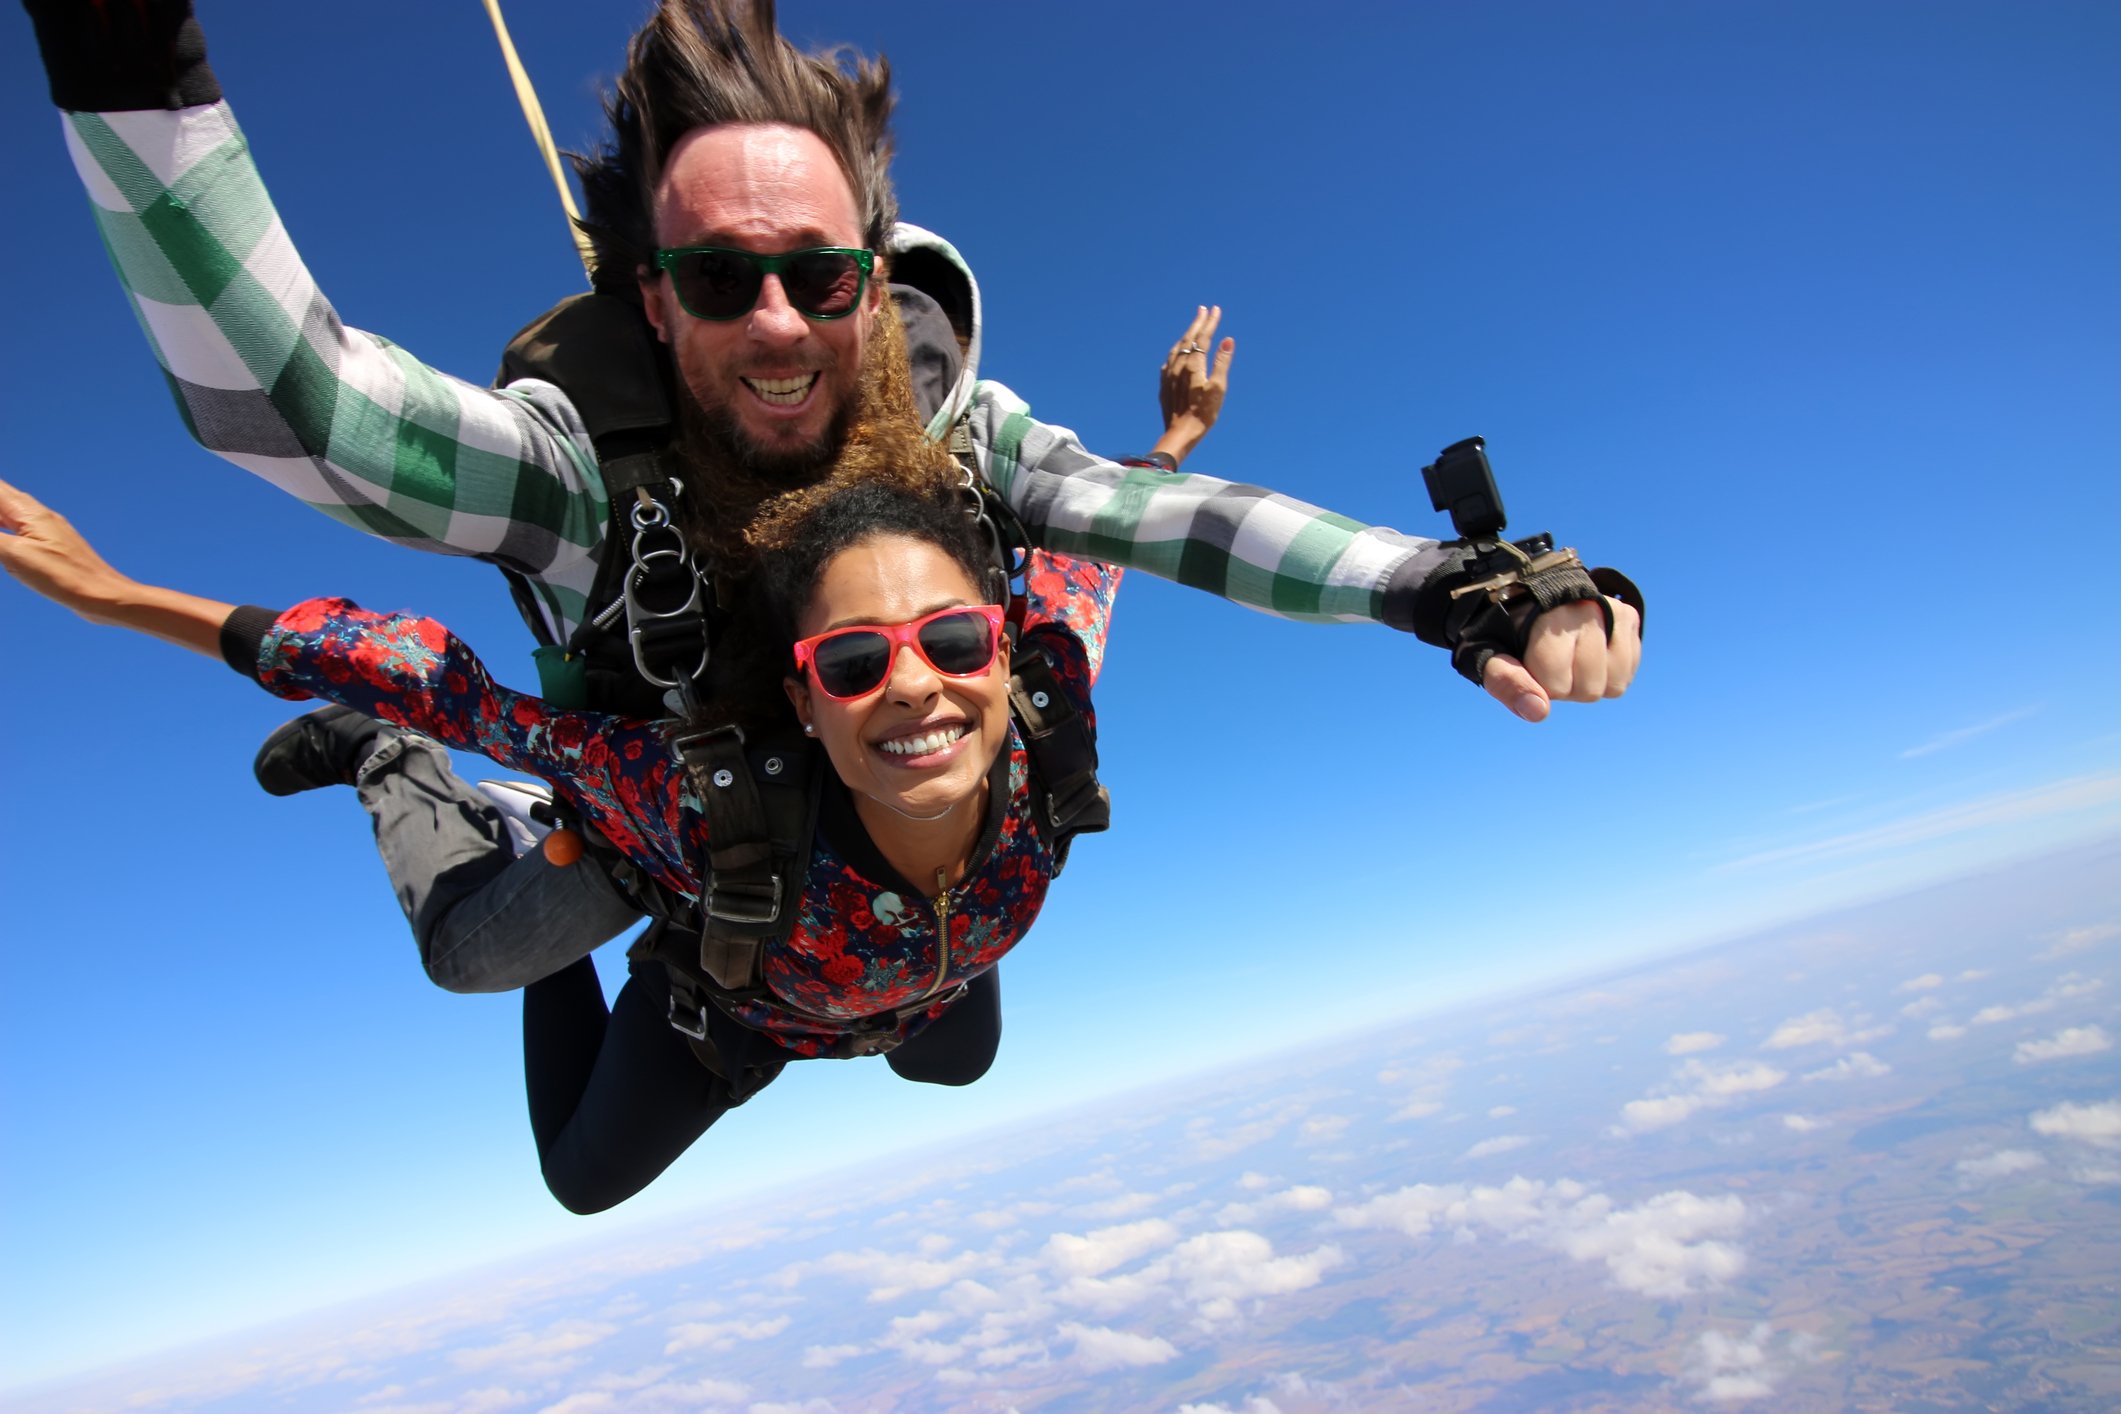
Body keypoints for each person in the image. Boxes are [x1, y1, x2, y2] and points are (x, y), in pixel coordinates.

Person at [19, 0, 1640, 991]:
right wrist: (125, 61)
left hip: (865, 856)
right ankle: (396, 778)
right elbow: (303, 415)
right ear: (652, 301)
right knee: (474, 956)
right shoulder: (586, 477)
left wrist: (1444, 584)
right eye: (721, 279)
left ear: (874, 274)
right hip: (650, 822)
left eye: (817, 273)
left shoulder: (954, 437)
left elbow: (1146, 529)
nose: (781, 324)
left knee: (946, 1023)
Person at [0, 372, 1121, 1212]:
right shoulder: (707, 801)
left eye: (953, 639)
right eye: (854, 661)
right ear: (804, 697)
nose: (915, 684)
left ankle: (854, 980)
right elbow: (451, 696)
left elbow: (1100, 551)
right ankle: (447, 794)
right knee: (576, 1170)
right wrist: (115, 596)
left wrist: (1168, 439)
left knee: (958, 1060)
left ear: (1001, 648)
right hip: (733, 1000)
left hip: (911, 988)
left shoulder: (1048, 717)